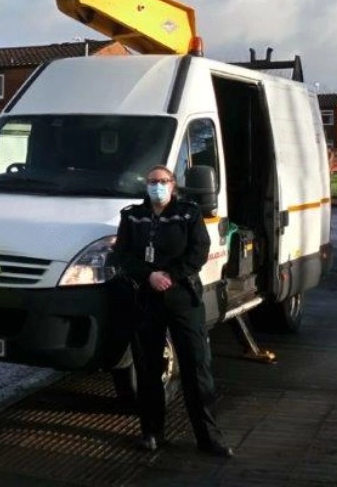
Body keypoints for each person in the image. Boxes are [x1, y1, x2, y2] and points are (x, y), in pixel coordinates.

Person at [111, 165, 233, 457]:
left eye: (163, 181)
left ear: (173, 185)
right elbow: (121, 254)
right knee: (148, 370)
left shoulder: (188, 213)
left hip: (182, 297)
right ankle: (151, 433)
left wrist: (171, 276)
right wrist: (148, 275)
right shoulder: (132, 215)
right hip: (145, 299)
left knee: (196, 367)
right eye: (152, 182)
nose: (157, 186)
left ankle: (208, 437)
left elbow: (198, 251)